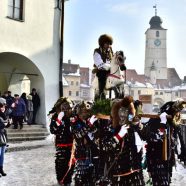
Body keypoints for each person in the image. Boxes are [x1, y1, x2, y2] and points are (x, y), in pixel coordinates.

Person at [99, 96, 145, 185]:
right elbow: (105, 147)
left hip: (135, 172)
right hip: (118, 173)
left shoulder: (132, 127)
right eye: (121, 113)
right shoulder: (109, 128)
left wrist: (139, 125)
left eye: (126, 113)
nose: (123, 117)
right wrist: (119, 136)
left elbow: (147, 137)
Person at [49, 97, 74, 186]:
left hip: (72, 145)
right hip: (61, 145)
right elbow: (53, 130)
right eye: (64, 106)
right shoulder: (55, 116)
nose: (66, 109)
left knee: (70, 166)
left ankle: (68, 182)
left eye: (67, 107)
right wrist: (58, 120)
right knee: (61, 165)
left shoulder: (71, 116)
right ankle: (61, 181)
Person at [93, 34, 114, 100]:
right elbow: (100, 64)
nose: (109, 46)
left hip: (110, 72)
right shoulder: (97, 52)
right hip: (102, 72)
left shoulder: (110, 52)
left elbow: (113, 61)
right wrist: (110, 67)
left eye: (109, 44)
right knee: (102, 79)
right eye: (107, 44)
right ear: (102, 43)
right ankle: (101, 95)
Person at [0, 97, 11, 177]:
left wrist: (8, 123)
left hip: (3, 136)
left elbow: (5, 126)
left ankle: (1, 169)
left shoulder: (3, 114)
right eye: (2, 106)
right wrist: (5, 124)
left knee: (2, 155)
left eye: (4, 106)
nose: (4, 107)